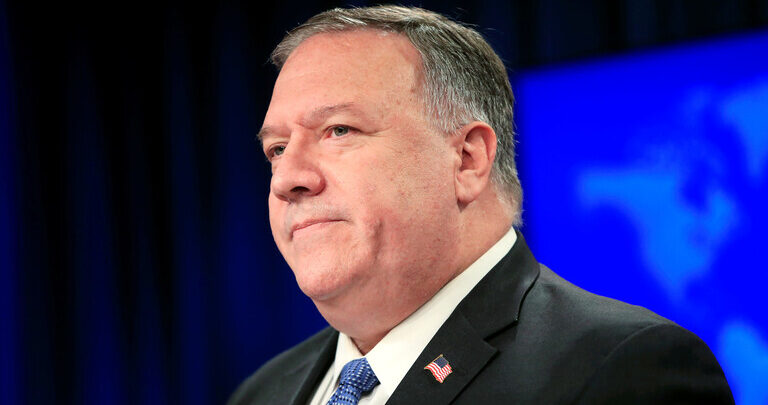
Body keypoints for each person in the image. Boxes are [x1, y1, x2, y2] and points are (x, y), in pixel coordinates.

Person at [229, 5, 733, 404]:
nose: (287, 179)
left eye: (339, 130)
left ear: (467, 159)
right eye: (277, 149)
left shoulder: (623, 371)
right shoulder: (262, 392)